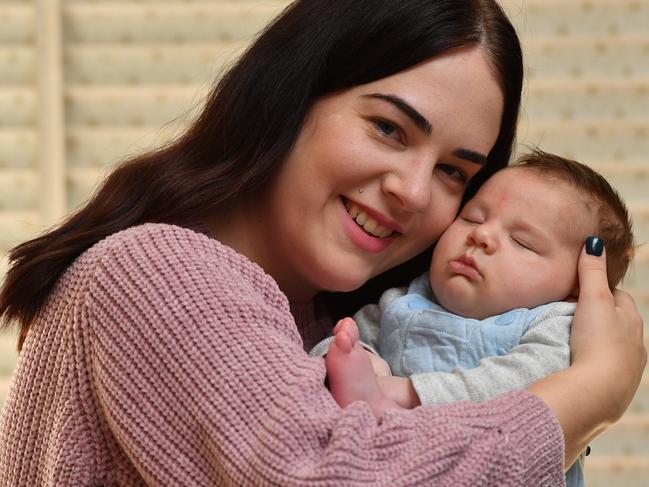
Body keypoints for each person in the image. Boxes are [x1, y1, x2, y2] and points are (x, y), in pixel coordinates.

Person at [0, 1, 644, 485]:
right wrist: (591, 390)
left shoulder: (339, 319)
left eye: (454, 171)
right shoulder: (154, 273)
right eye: (389, 128)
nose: (416, 193)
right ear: (288, 98)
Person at [319, 150, 635, 487]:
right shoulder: (405, 299)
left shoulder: (555, 323)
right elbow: (344, 342)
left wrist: (408, 393)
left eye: (521, 242)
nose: (480, 236)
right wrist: (358, 359)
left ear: (578, 288)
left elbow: (524, 385)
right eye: (472, 218)